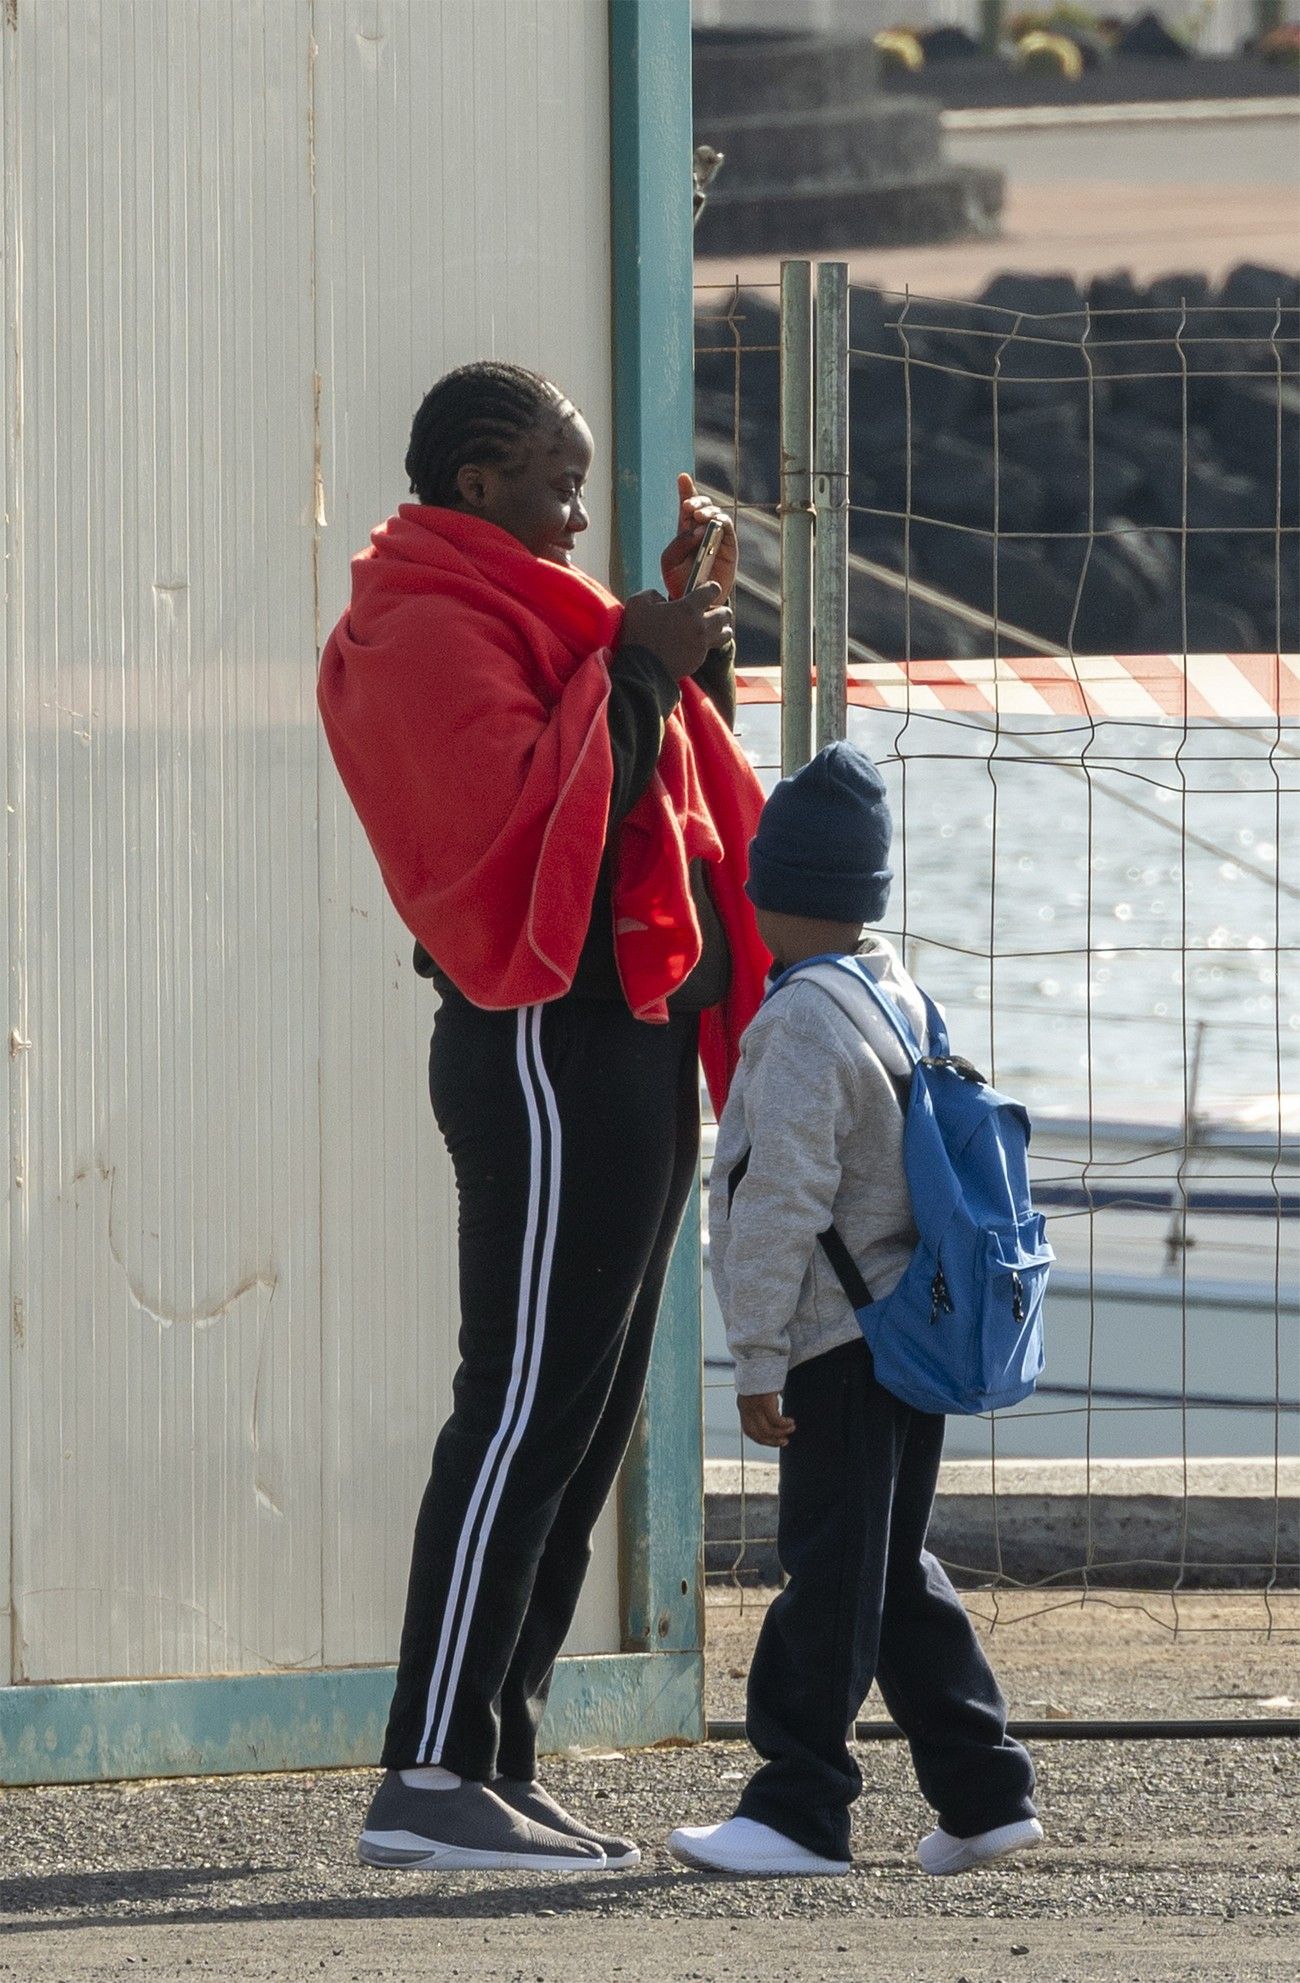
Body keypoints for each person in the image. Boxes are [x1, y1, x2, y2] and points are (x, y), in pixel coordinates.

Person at [318, 361, 769, 1872]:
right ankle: (430, 1772)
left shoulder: (542, 616)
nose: (579, 516)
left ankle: (496, 1749)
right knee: (516, 1404)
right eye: (558, 486)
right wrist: (638, 671)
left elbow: (646, 803)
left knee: (582, 1417)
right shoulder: (425, 628)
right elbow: (533, 849)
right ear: (474, 488)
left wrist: (674, 655)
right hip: (541, 1044)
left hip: (626, 1042)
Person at [669, 742, 1041, 1878]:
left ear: (772, 895)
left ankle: (797, 1807)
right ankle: (982, 1795)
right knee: (884, 1568)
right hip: (908, 1332)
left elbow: (777, 1198)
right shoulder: (896, 992)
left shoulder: (792, 1027)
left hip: (835, 1342)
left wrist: (757, 1356)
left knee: (828, 1569)